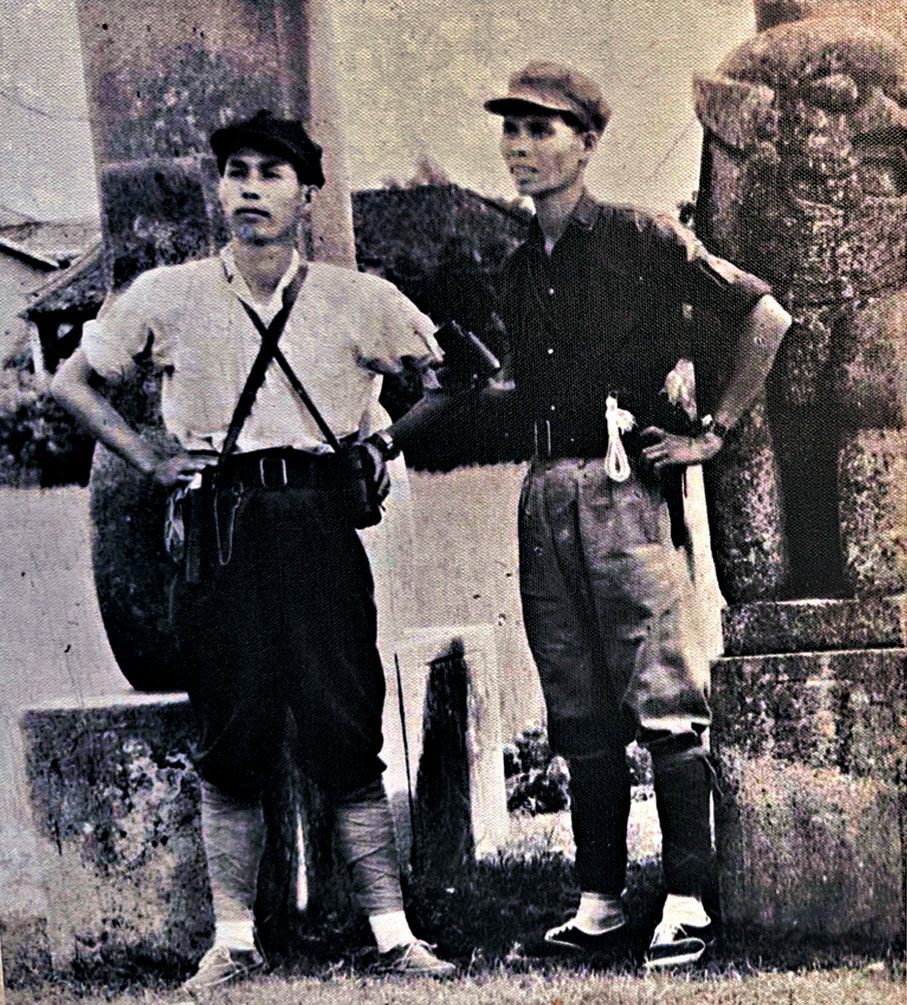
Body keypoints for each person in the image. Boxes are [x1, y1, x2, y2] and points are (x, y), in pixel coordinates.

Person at [51, 109, 455, 989]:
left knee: (345, 728)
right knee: (230, 737)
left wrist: (380, 444)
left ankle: (393, 935)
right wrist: (150, 458)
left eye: (271, 174)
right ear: (219, 188)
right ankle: (232, 942)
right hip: (219, 529)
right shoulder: (168, 293)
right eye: (236, 171)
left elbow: (448, 380)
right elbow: (72, 382)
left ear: (306, 195)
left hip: (317, 524)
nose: (250, 189)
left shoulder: (357, 297)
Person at [483, 62, 792, 969]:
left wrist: (712, 433)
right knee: (576, 702)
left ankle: (687, 899)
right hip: (546, 490)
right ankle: (599, 904)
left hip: (624, 485)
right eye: (511, 128)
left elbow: (764, 316)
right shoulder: (516, 267)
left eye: (541, 129)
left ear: (586, 143)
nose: (520, 146)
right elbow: (512, 387)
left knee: (662, 696)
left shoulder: (639, 237)